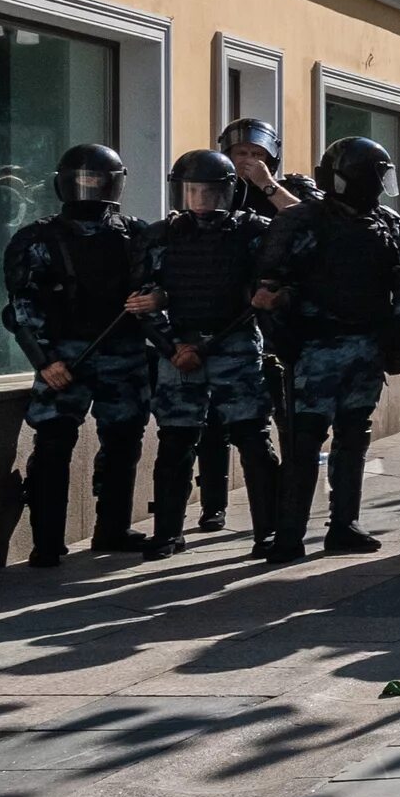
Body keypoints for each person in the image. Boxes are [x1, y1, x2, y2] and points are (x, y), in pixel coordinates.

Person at [253, 138, 400, 558]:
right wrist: (284, 341)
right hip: (314, 347)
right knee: (304, 442)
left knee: (354, 435)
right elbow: (266, 290)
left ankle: (344, 525)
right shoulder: (300, 221)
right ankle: (289, 534)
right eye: (372, 177)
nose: (377, 186)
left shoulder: (387, 222)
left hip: (366, 345)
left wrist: (396, 332)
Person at [2, 145, 156, 565]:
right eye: (81, 180)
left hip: (122, 352)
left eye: (98, 181)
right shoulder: (36, 239)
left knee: (124, 441)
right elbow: (20, 307)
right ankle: (47, 542)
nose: (89, 188)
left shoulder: (135, 234)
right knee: (52, 445)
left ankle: (113, 529)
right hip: (62, 356)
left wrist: (156, 301)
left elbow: (158, 285)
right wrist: (43, 361)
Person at [139, 150, 282, 557]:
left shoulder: (252, 230)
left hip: (234, 343)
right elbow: (139, 299)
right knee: (176, 440)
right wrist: (171, 347)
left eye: (211, 191)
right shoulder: (160, 235)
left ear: (229, 193)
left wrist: (268, 186)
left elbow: (300, 231)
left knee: (253, 437)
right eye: (193, 191)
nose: (201, 199)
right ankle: (167, 532)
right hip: (179, 348)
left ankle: (267, 531)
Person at [201, 118, 309, 535]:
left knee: (277, 417)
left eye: (256, 154)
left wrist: (266, 184)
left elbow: (308, 221)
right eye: (239, 153)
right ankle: (213, 503)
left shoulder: (289, 191)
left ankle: (282, 500)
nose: (246, 161)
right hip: (224, 312)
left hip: (277, 317)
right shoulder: (211, 184)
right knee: (213, 419)